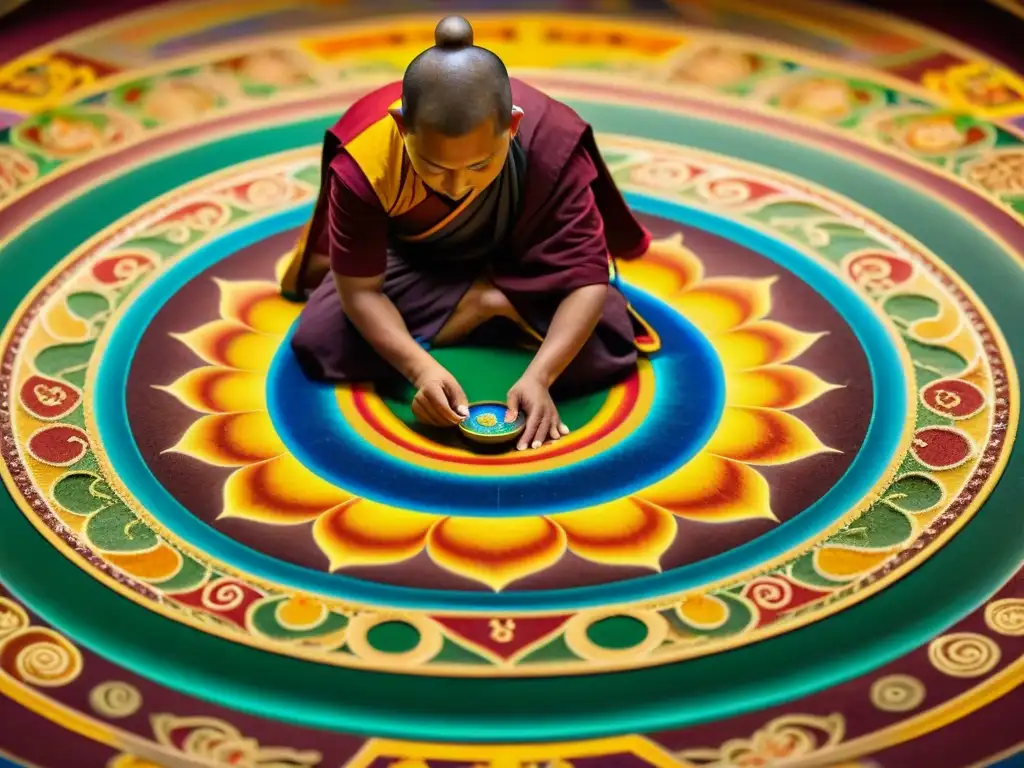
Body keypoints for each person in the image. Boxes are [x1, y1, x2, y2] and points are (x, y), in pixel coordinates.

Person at [281, 15, 659, 451]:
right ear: (404, 128)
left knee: (608, 341)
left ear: (512, 127)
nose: (457, 187)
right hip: (419, 264)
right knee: (319, 339)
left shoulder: (547, 140)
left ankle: (486, 302)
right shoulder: (366, 163)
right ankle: (484, 303)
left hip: (523, 257)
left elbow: (588, 278)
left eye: (479, 166)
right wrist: (420, 369)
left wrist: (541, 375)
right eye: (436, 168)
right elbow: (361, 291)